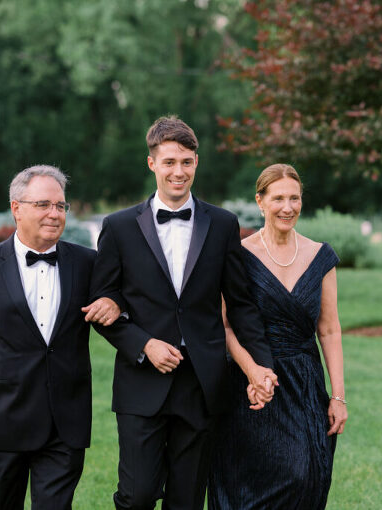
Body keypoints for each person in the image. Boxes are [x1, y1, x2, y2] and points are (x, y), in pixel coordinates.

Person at [87, 115, 276, 510]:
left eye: (187, 162)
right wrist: (143, 344)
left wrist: (261, 365)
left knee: (187, 499)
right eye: (170, 161)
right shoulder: (119, 227)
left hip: (202, 382)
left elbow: (240, 304)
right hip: (141, 381)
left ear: (196, 163)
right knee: (137, 495)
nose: (179, 171)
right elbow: (103, 304)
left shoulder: (223, 224)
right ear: (152, 162)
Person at [0, 165, 116, 509]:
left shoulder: (87, 264)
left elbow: (120, 303)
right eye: (43, 205)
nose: (54, 214)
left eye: (60, 206)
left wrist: (114, 301)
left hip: (64, 424)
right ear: (16, 208)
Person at [207, 163, 348, 510]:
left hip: (304, 384)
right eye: (279, 198)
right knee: (248, 485)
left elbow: (329, 329)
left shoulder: (320, 256)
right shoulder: (238, 255)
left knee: (306, 476)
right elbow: (223, 326)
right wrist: (252, 371)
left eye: (295, 198)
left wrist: (339, 396)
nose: (288, 207)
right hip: (251, 384)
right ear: (260, 201)